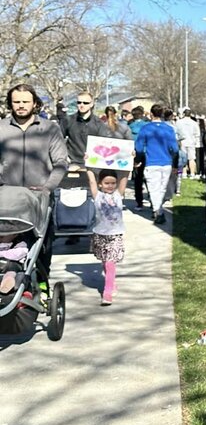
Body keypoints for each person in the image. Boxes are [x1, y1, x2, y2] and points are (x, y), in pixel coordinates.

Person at [0, 84, 69, 284]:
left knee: (42, 247)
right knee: (6, 247)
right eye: (16, 102)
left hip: (40, 198)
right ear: (10, 103)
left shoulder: (49, 128)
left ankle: (42, 284)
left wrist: (48, 187)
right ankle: (10, 283)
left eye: (25, 101)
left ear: (35, 103)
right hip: (7, 200)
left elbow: (61, 162)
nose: (21, 105)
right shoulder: (1, 128)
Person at [86, 168, 127, 304]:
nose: (110, 186)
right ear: (100, 184)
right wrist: (88, 167)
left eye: (113, 183)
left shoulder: (118, 195)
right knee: (105, 262)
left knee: (110, 263)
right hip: (100, 235)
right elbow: (91, 181)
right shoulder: (97, 195)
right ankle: (112, 283)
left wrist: (129, 163)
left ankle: (107, 292)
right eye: (107, 183)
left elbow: (124, 177)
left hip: (115, 235)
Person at [134, 104, 178, 225]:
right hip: (166, 162)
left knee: (153, 189)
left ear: (151, 114)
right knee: (162, 188)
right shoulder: (169, 129)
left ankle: (158, 211)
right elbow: (175, 149)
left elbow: (139, 147)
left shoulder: (146, 128)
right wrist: (175, 164)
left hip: (152, 161)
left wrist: (137, 160)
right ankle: (159, 209)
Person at [61, 92, 109, 165]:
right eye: (79, 102)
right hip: (72, 163)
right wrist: (64, 156)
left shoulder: (99, 124)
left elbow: (104, 145)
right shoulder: (68, 120)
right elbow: (58, 139)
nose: (82, 105)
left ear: (91, 104)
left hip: (93, 163)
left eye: (85, 103)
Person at [127, 106, 148, 210]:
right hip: (147, 153)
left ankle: (139, 202)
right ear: (142, 114)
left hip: (134, 153)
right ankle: (152, 200)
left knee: (138, 178)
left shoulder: (129, 127)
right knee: (148, 178)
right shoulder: (147, 126)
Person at [176, 109, 201, 179]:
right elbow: (197, 133)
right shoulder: (194, 123)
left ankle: (184, 173)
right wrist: (196, 142)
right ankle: (192, 173)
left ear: (184, 114)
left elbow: (176, 132)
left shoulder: (179, 122)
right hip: (191, 142)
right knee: (192, 158)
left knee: (183, 158)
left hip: (182, 142)